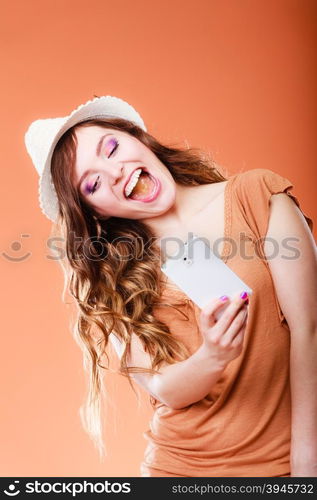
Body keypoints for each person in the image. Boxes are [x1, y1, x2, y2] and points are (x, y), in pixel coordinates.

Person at [24, 95, 317, 477]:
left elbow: (309, 331)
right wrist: (212, 355)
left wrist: (307, 463)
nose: (114, 171)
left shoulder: (256, 197)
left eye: (111, 148)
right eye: (93, 183)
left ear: (138, 138)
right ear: (94, 211)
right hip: (177, 471)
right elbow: (164, 388)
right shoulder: (112, 276)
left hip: (283, 464)